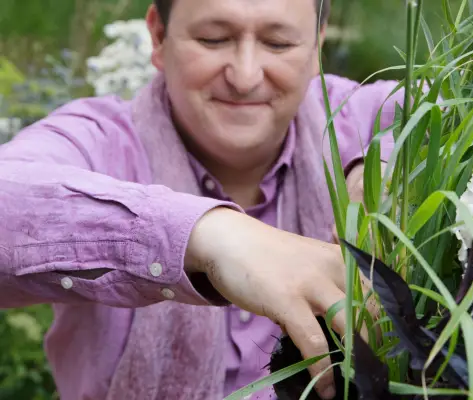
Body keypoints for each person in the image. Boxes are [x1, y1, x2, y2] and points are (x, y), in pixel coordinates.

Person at [0, 0, 405, 399]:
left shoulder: (361, 116)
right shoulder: (100, 144)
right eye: (214, 39)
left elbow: (455, 102)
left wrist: (388, 163)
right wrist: (208, 234)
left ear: (317, 43)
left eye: (278, 43)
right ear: (158, 35)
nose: (245, 77)